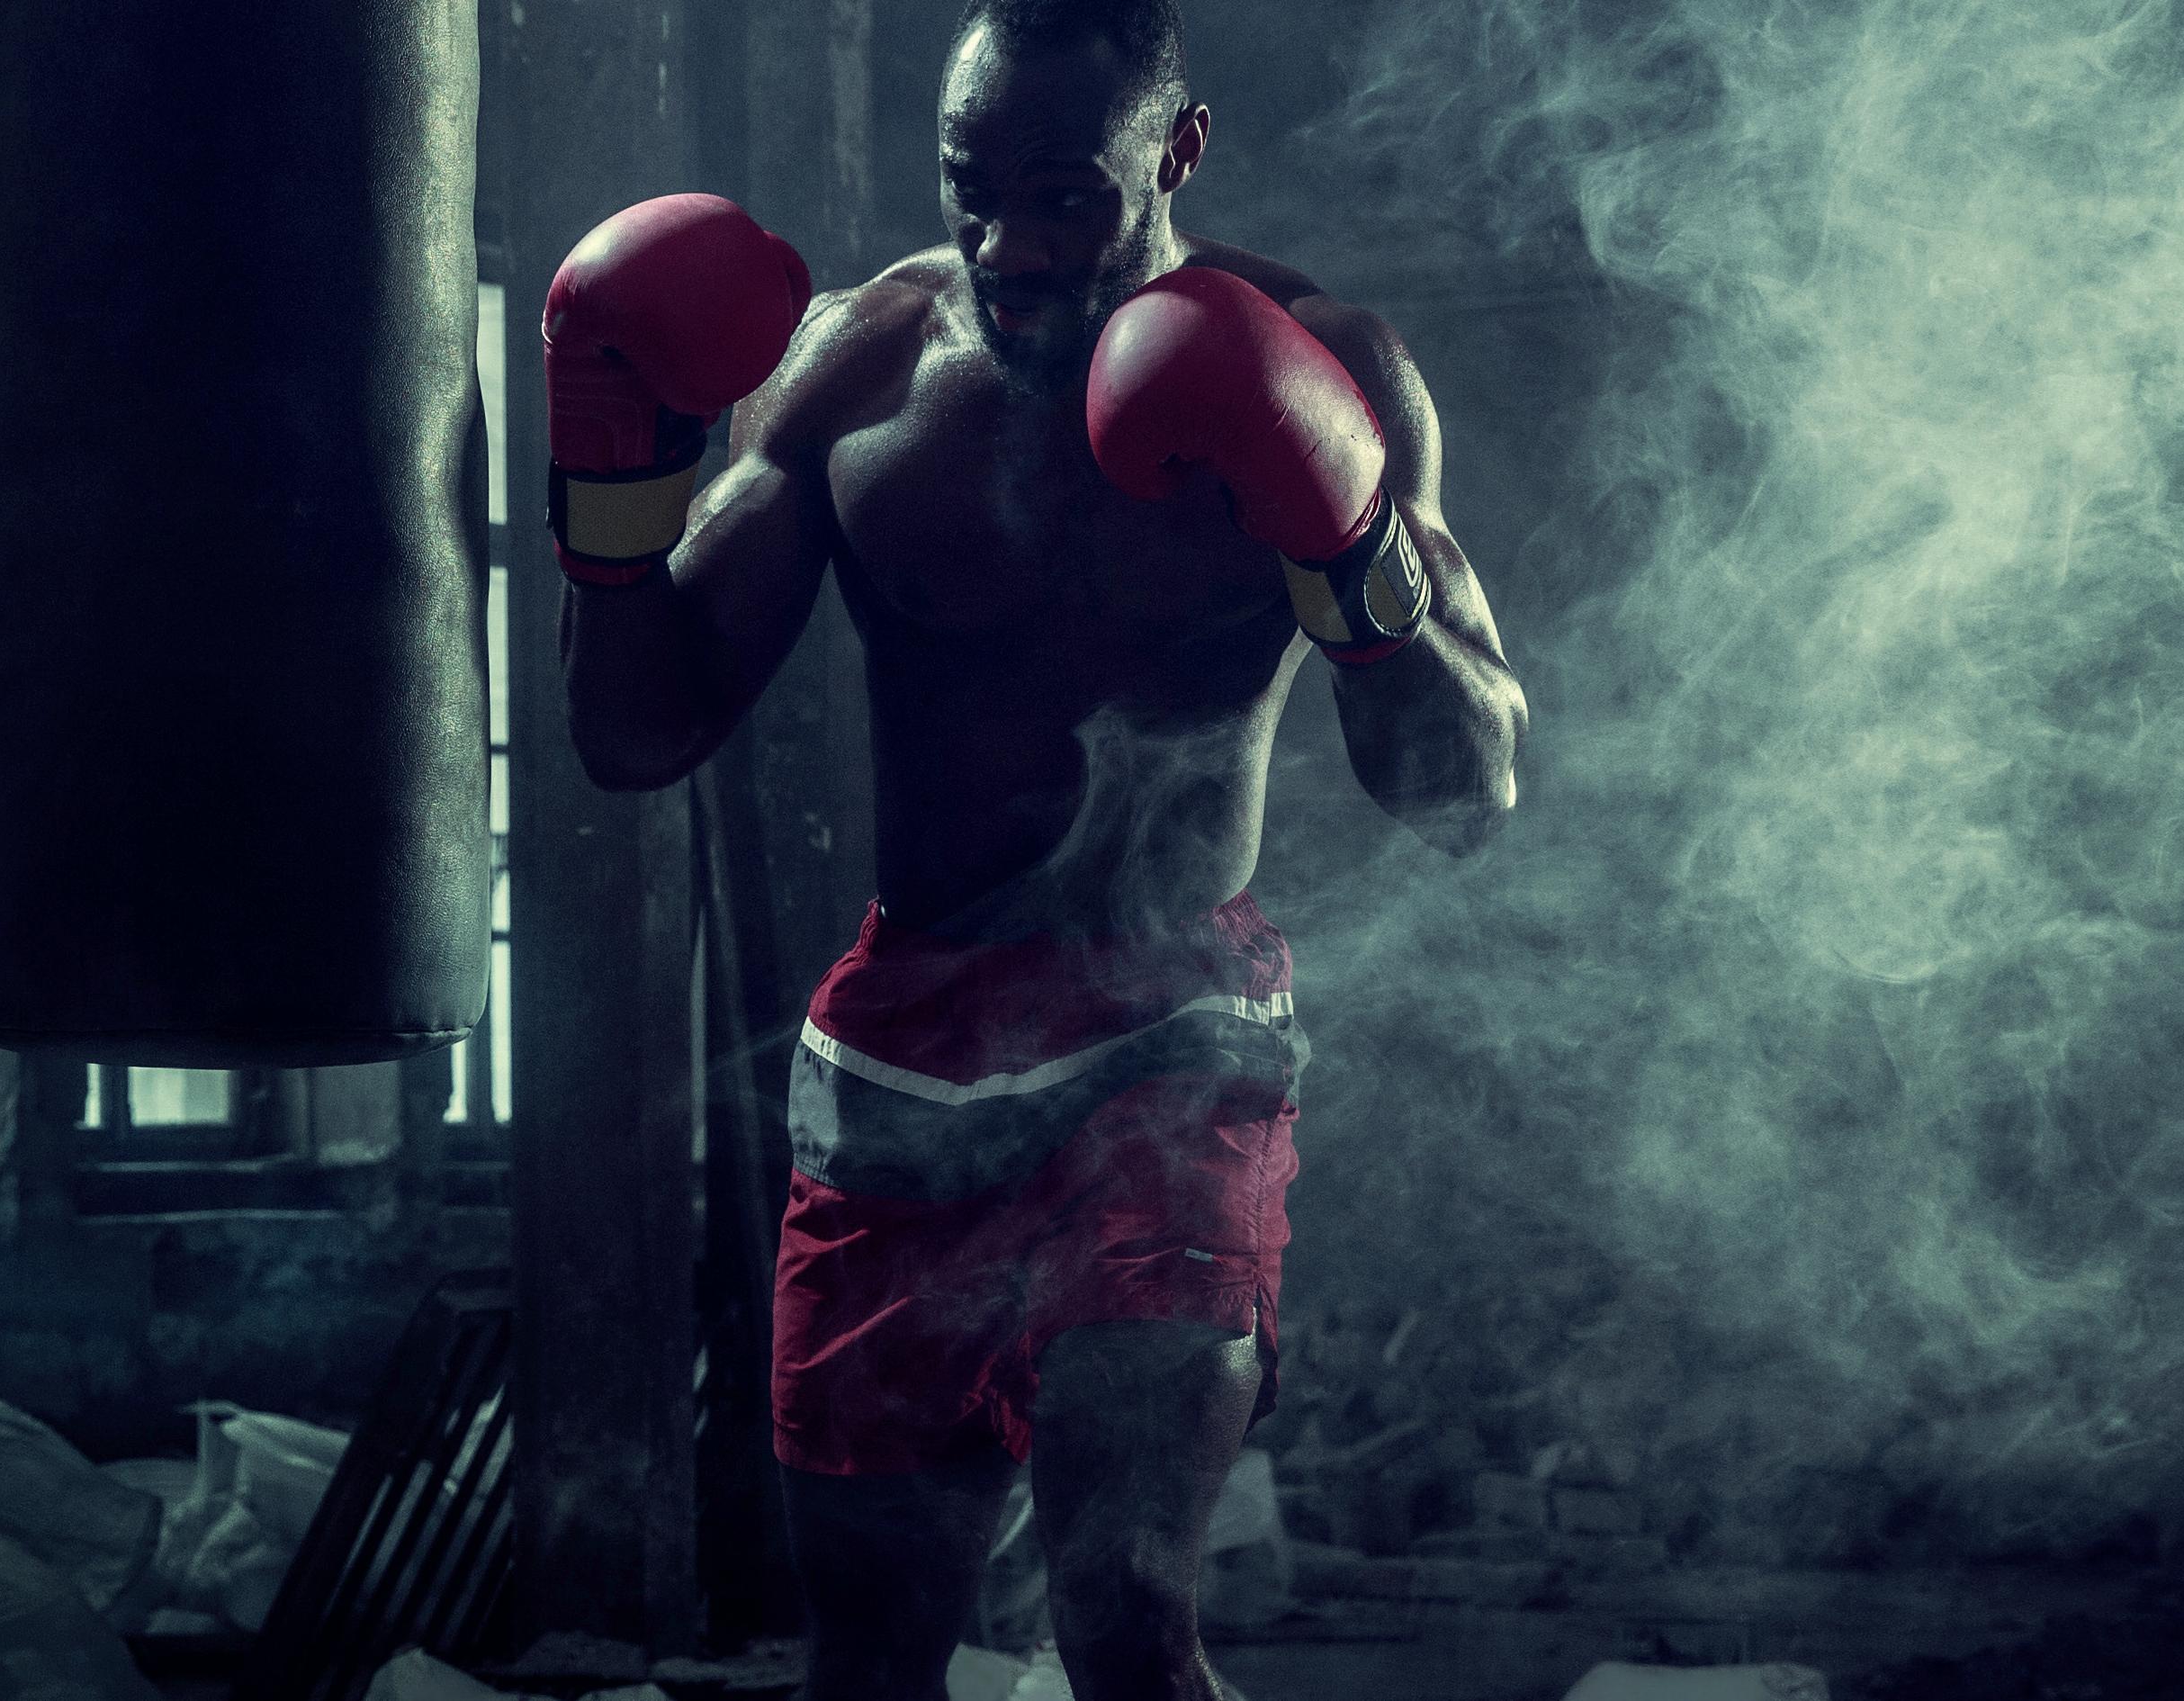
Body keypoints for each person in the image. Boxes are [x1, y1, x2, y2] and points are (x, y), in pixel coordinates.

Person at [544, 2, 1527, 1695]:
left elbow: (1464, 786)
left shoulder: (1329, 366)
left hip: (1173, 1036)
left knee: (1127, 1621)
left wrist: (1346, 537)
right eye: (971, 187)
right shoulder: (859, 367)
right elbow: (635, 733)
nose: (1008, 244)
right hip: (905, 1052)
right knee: (868, 1662)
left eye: (1065, 194)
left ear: (1179, 151)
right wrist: (610, 474)